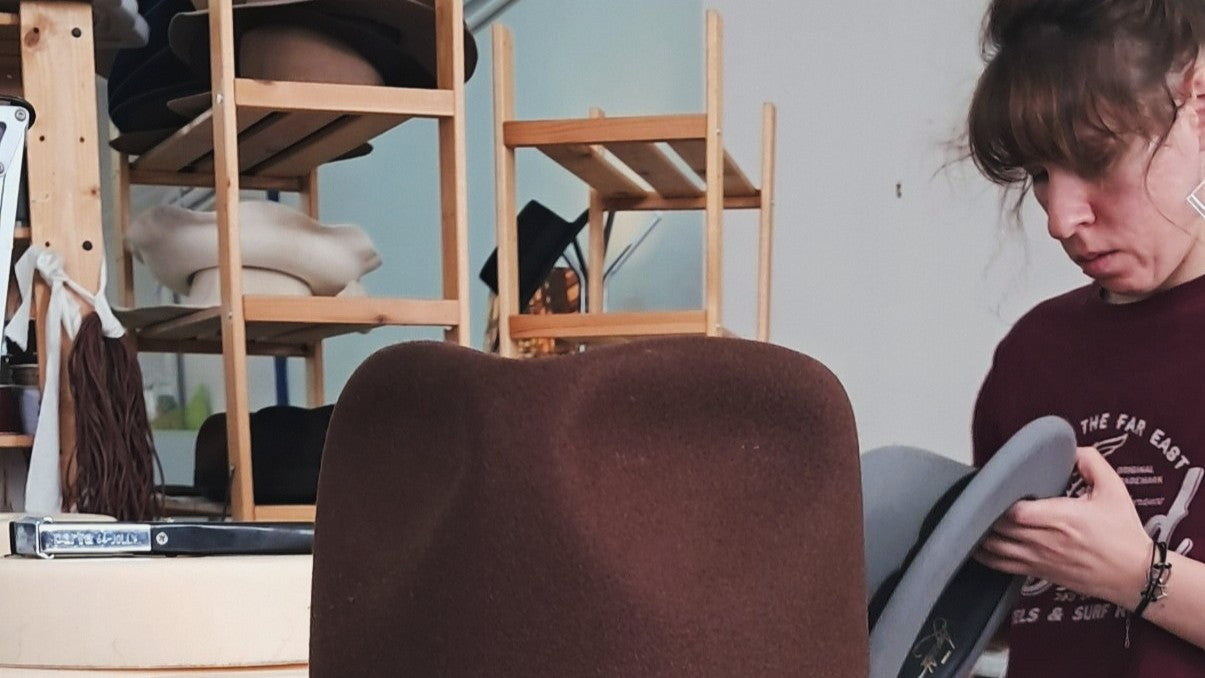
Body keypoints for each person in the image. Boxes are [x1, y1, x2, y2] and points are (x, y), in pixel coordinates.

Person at [966, 0, 1205, 675]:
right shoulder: (1031, 354)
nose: (1060, 218)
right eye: (1040, 174)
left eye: (1094, 158)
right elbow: (1025, 618)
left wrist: (1139, 573)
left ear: (1197, 109)